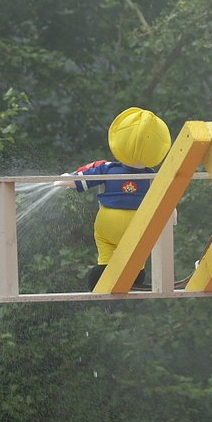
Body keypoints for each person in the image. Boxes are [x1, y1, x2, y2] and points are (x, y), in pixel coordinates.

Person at [55, 107, 171, 290]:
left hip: (108, 224)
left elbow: (80, 179)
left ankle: (102, 274)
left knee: (106, 250)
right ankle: (135, 275)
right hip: (138, 226)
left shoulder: (107, 169)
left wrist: (67, 180)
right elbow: (165, 198)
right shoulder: (151, 176)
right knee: (137, 254)